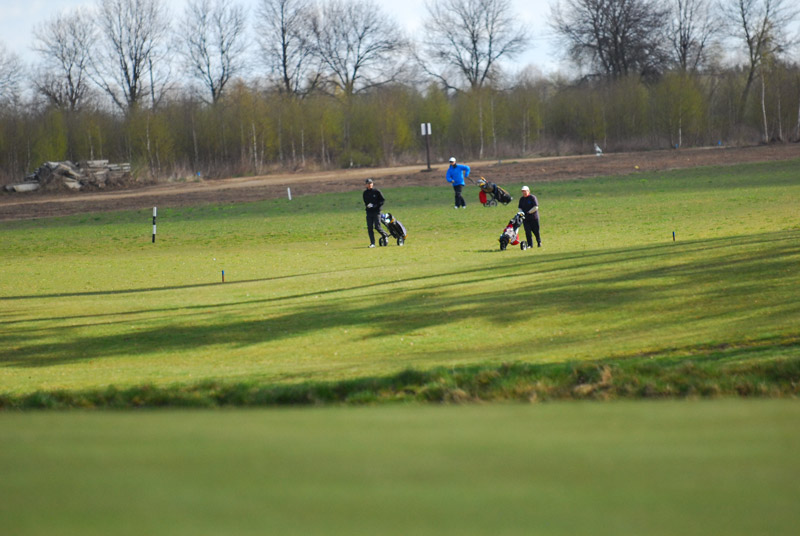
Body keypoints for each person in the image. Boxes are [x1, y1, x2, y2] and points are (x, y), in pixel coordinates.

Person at [363, 178, 389, 248]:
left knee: (377, 227)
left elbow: (382, 200)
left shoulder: (376, 191)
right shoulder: (365, 193)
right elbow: (365, 201)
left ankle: (385, 235)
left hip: (377, 212)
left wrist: (375, 205)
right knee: (370, 228)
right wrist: (368, 205)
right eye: (368, 183)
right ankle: (372, 243)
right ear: (366, 185)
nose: (369, 185)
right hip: (369, 212)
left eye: (371, 183)